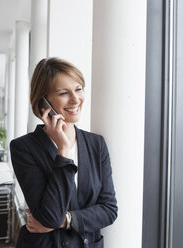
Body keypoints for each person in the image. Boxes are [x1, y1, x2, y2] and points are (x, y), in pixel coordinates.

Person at [10, 57, 118, 248]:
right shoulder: (24, 148)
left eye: (78, 89)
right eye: (63, 93)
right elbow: (50, 216)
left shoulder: (96, 144)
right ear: (44, 102)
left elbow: (109, 210)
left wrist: (66, 220)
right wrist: (63, 151)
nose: (75, 99)